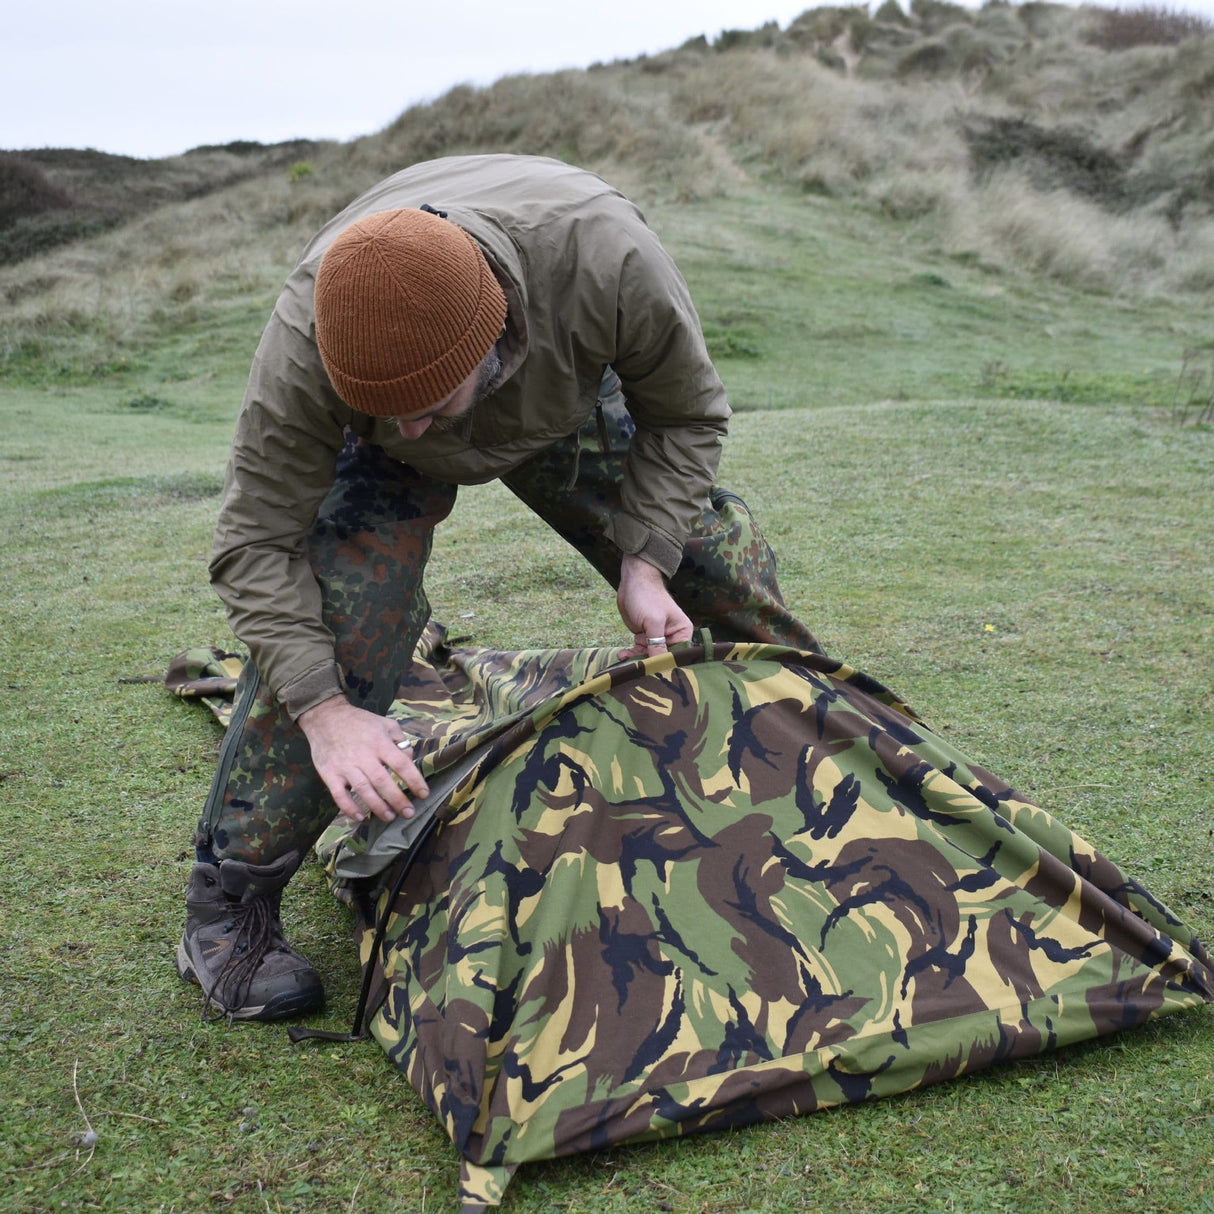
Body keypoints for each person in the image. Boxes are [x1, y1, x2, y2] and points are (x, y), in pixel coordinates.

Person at [177, 153, 819, 1021]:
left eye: (426, 406)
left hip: (560, 393)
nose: (410, 424)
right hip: (385, 464)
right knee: (338, 628)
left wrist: (645, 562)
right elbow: (255, 540)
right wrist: (326, 713)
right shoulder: (312, 336)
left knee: (711, 556)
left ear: (493, 339)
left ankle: (830, 749)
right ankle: (229, 908)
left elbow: (685, 412)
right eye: (388, 407)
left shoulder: (607, 260)